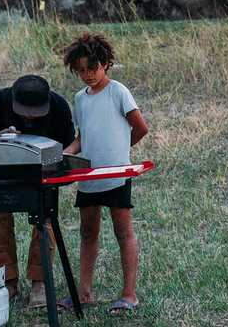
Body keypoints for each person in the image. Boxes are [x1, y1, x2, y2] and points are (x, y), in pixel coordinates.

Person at [58, 33, 149, 315]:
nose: (87, 75)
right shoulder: (80, 99)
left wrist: (120, 152)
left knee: (123, 231)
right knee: (87, 233)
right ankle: (83, 293)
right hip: (89, 177)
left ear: (106, 64)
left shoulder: (118, 91)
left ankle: (129, 294)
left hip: (116, 175)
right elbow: (82, 137)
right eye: (81, 70)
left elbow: (141, 127)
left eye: (92, 68)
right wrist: (65, 154)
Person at [0, 74, 75, 307]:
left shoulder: (58, 106)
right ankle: (7, 281)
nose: (29, 117)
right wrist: (0, 140)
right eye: (24, 111)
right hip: (2, 174)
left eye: (35, 112)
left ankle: (40, 281)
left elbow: (69, 146)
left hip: (43, 174)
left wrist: (51, 158)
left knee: (45, 219)